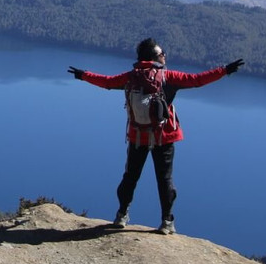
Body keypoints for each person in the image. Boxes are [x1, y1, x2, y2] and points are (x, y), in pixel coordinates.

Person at [68, 39, 243, 235]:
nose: (164, 56)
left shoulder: (131, 77)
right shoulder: (168, 77)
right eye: (162, 54)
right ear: (154, 57)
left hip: (137, 135)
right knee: (165, 179)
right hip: (164, 136)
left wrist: (83, 75)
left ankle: (121, 215)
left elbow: (107, 82)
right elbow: (197, 80)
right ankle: (167, 221)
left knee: (130, 177)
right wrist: (224, 70)